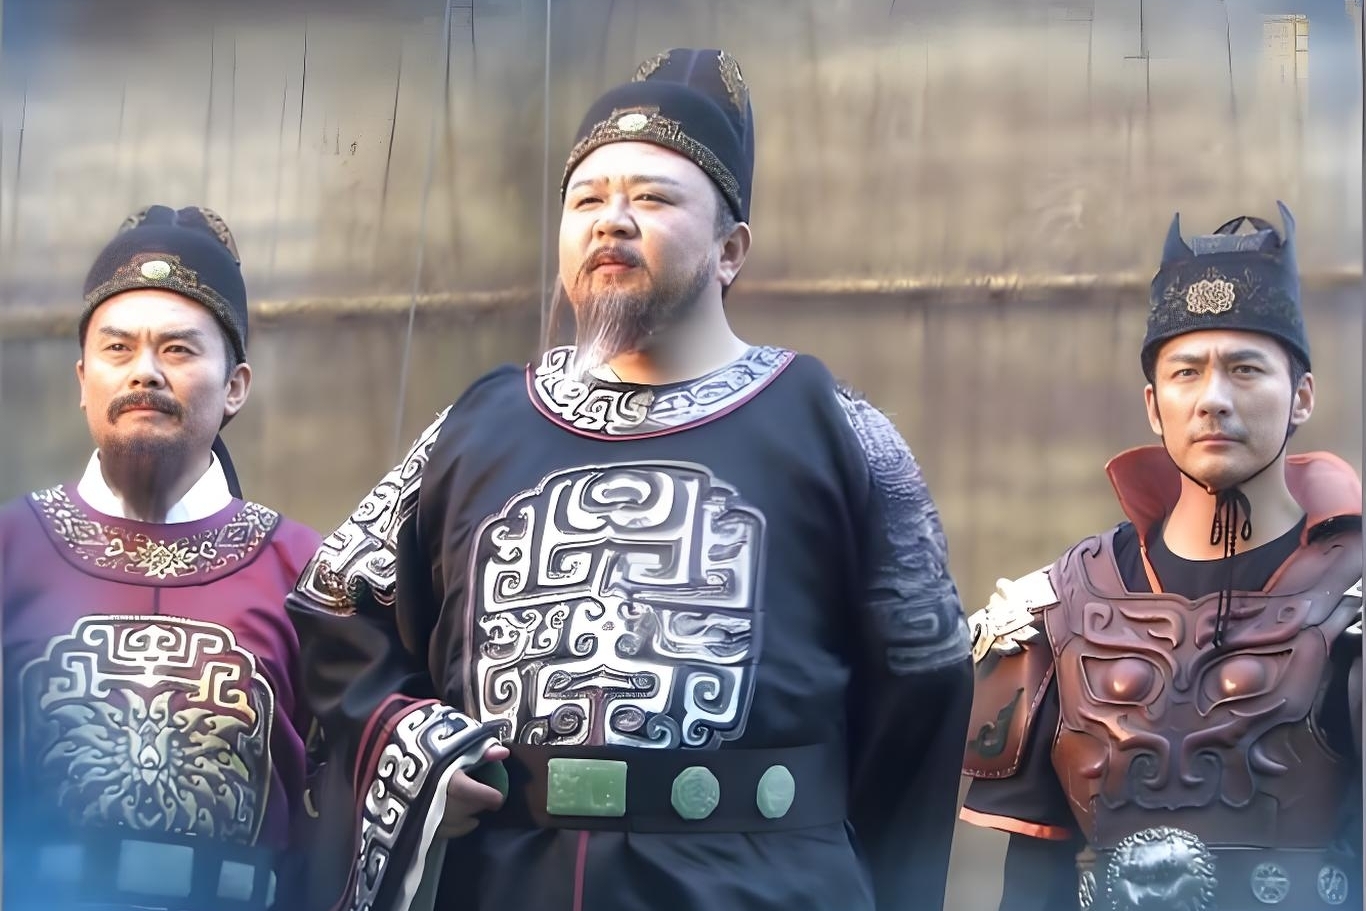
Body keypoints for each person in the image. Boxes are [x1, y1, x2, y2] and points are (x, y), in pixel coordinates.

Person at [287, 47, 972, 911]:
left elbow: (924, 681)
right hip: (506, 884)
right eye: (586, 200)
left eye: (652, 198)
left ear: (730, 250)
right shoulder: (474, 423)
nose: (611, 221)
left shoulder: (837, 427)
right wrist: (407, 737)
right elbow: (336, 601)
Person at [959, 202, 1363, 911]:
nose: (1213, 399)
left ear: (1301, 397)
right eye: (1186, 372)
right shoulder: (1061, 606)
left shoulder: (1352, 598)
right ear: (1153, 405)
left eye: (1246, 368)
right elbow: (1033, 882)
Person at [0, 205, 323, 911]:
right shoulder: (11, 550)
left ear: (235, 386)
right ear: (82, 379)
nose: (144, 372)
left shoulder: (305, 571)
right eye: (118, 349)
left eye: (178, 350)